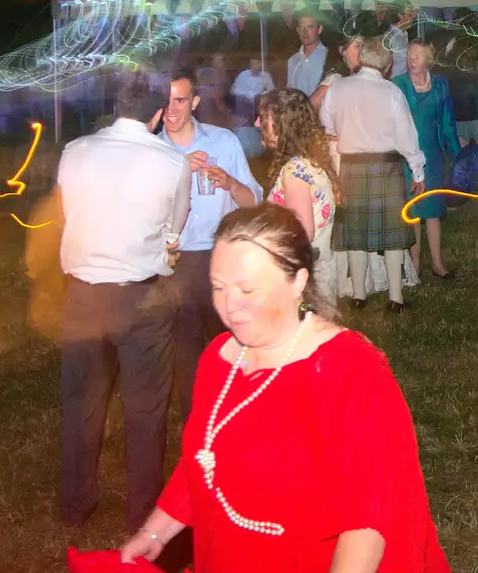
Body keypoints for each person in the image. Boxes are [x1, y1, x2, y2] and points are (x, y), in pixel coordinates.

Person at [120, 203, 478, 573]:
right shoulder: (220, 359)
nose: (228, 305)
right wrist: (154, 536)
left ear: (298, 281)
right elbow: (203, 461)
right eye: (219, 287)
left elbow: (375, 506)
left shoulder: (348, 369)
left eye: (247, 289)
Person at [55, 72, 191, 529]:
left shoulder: (74, 152)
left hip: (82, 295)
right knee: (146, 407)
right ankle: (143, 516)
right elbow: (174, 230)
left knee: (80, 403)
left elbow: (65, 213)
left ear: (116, 106)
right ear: (157, 114)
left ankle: (75, 504)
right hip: (141, 298)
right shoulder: (172, 163)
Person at [161, 66, 263, 418]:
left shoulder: (223, 141)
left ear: (195, 102)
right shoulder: (153, 151)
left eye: (180, 100)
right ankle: (197, 426)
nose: (172, 110)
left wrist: (231, 183)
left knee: (233, 344)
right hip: (174, 262)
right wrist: (177, 169)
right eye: (166, 101)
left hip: (221, 257)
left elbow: (254, 201)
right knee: (184, 355)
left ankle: (242, 416)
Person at [320, 37, 425, 313]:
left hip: (350, 168)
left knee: (355, 233)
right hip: (386, 167)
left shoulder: (339, 88)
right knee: (391, 235)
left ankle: (359, 296)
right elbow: (406, 137)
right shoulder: (391, 93)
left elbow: (327, 122)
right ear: (388, 66)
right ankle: (395, 299)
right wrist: (417, 169)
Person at [258, 89, 340, 315]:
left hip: (302, 283)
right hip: (318, 273)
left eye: (264, 118)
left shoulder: (294, 171)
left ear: (283, 124)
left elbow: (302, 231)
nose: (257, 123)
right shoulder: (311, 162)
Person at [394, 40, 460, 279]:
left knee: (432, 209)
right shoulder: (398, 85)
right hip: (407, 155)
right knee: (413, 210)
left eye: (417, 57)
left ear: (428, 60)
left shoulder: (440, 84)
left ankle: (437, 262)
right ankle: (415, 263)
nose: (412, 61)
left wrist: (457, 156)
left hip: (432, 155)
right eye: (410, 56)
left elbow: (447, 122)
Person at [285, 13, 329, 97]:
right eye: (301, 27)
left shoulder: (328, 57)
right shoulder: (292, 60)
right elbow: (290, 93)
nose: (305, 32)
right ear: (297, 30)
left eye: (310, 27)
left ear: (319, 29)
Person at [383, 0, 417, 79]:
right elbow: (383, 66)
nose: (414, 17)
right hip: (393, 83)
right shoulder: (389, 37)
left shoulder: (404, 33)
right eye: (410, 14)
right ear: (400, 15)